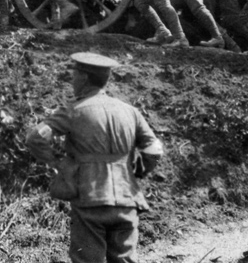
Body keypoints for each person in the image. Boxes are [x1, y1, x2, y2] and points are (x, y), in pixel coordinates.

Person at [26, 52, 163, 263]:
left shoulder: (74, 111)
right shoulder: (130, 111)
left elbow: (35, 137)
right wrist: (137, 171)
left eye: (75, 75)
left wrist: (58, 163)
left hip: (90, 200)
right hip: (127, 198)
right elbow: (154, 149)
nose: (72, 80)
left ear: (84, 78)